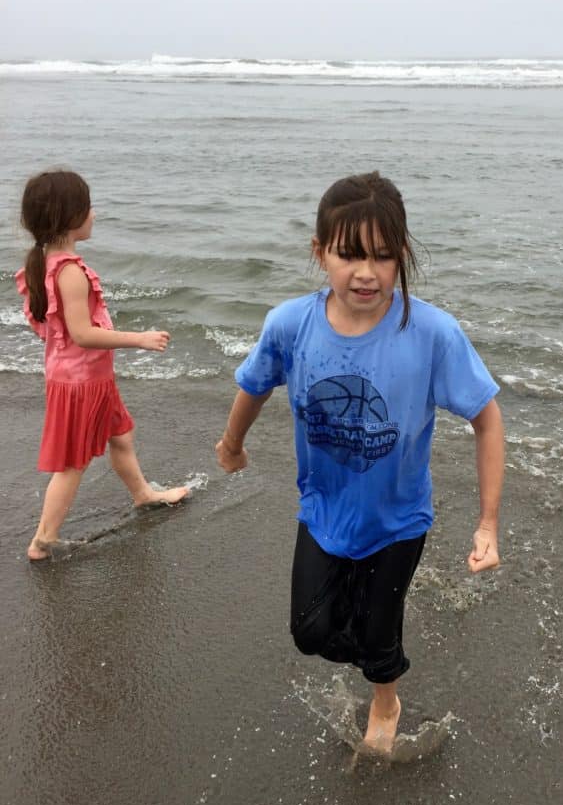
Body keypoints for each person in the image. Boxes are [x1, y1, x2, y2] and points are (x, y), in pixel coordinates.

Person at [216, 171, 504, 754]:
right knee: (310, 633)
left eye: (381, 255)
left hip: (399, 518)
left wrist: (488, 522)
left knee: (377, 636)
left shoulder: (431, 333)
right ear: (319, 252)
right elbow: (254, 385)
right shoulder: (290, 325)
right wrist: (232, 444)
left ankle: (385, 695)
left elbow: (488, 420)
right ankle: (373, 640)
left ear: (402, 254)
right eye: (348, 254)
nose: (365, 272)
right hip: (323, 508)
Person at [16, 170, 188, 562]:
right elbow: (82, 333)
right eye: (87, 206)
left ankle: (143, 494)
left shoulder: (44, 262)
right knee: (73, 464)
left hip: (83, 377)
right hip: (81, 383)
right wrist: (139, 339)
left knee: (120, 436)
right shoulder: (71, 271)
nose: (94, 213)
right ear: (69, 216)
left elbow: (45, 325)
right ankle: (43, 540)